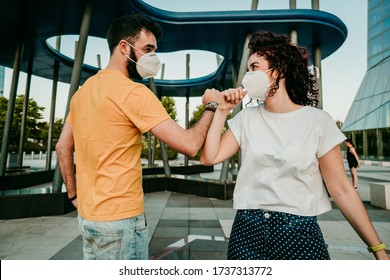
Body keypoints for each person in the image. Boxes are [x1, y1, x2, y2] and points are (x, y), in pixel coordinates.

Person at [55, 14, 233, 260]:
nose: (153, 59)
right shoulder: (133, 92)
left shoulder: (82, 93)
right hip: (121, 222)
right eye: (148, 49)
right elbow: (190, 145)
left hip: (88, 218)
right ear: (124, 47)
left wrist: (73, 195)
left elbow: (62, 147)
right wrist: (212, 107)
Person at [200, 30, 389, 260]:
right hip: (247, 232)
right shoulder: (246, 118)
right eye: (247, 69)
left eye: (255, 67)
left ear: (278, 69)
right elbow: (209, 157)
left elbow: (341, 190)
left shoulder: (317, 121)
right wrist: (221, 112)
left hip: (299, 233)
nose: (247, 76)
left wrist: (378, 250)